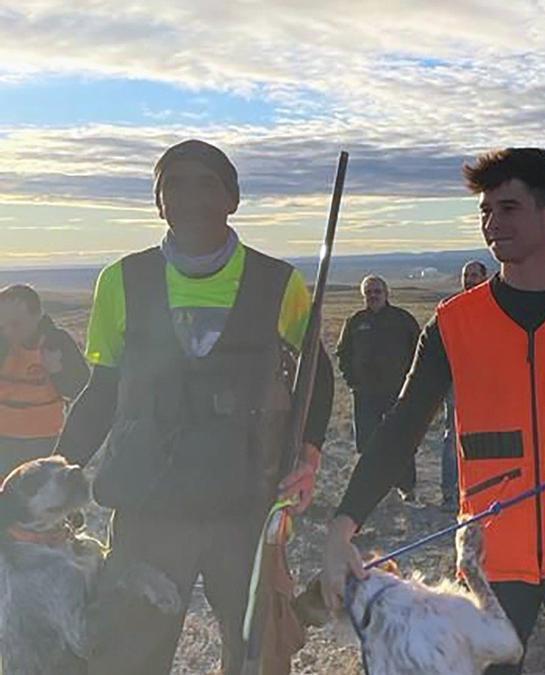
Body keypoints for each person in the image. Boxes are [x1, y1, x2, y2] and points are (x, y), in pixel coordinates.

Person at [321, 148, 545, 675]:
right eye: (485, 210)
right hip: (493, 558)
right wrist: (342, 524)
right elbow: (401, 428)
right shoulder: (453, 322)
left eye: (508, 208)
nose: (492, 223)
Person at [53, 139, 334, 675]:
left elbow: (315, 375)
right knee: (129, 656)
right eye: (174, 186)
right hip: (149, 505)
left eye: (207, 184)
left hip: (247, 504)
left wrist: (309, 455)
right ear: (158, 203)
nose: (190, 197)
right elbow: (102, 392)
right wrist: (56, 474)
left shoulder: (279, 282)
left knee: (258, 656)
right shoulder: (120, 281)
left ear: (233, 199)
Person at [335, 274, 421, 499]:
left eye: (377, 291)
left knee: (401, 439)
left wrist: (412, 383)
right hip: (365, 394)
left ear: (386, 293)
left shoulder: (402, 319)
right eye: (368, 292)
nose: (373, 296)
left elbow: (419, 351)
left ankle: (406, 487)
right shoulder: (355, 322)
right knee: (367, 443)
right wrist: (352, 381)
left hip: (398, 392)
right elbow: (343, 353)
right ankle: (371, 490)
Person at [0, 284, 89, 478]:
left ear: (37, 315)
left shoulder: (58, 342)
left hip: (44, 441)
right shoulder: (2, 342)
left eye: (16, 324)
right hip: (3, 439)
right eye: (3, 324)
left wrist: (57, 371)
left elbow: (82, 390)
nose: (8, 330)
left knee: (42, 493)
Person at [439, 259, 489, 510]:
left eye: (474, 275)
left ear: (484, 278)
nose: (469, 280)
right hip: (456, 382)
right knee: (453, 437)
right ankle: (450, 493)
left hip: (488, 382)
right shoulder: (451, 308)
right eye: (466, 275)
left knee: (488, 436)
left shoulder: (494, 308)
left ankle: (481, 491)